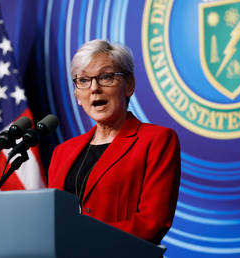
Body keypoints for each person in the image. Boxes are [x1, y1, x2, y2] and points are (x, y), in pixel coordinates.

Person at [48, 39, 181, 244]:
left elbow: (152, 223)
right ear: (77, 94)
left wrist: (84, 239)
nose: (94, 88)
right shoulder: (62, 152)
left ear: (129, 85)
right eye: (83, 80)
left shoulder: (156, 141)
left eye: (106, 77)